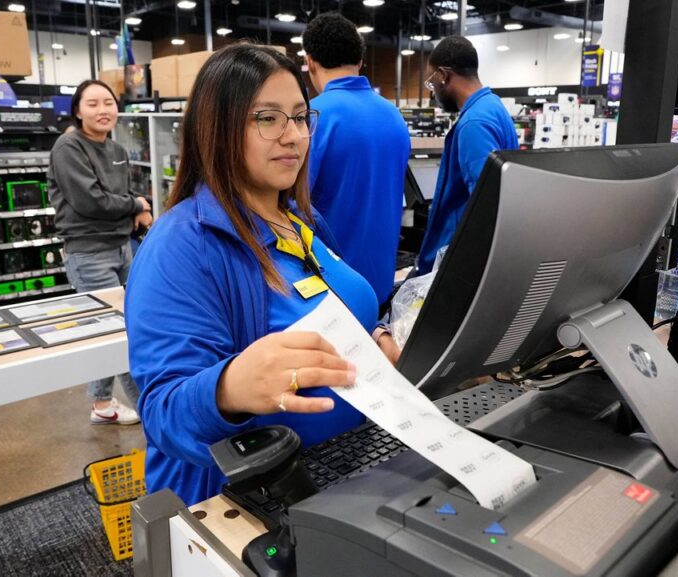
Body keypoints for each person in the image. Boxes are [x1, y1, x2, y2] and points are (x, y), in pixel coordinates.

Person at [124, 44, 400, 506]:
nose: (292, 135)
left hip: (339, 472)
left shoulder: (299, 220)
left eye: (299, 117)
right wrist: (229, 386)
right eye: (267, 118)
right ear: (220, 128)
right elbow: (162, 412)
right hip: (248, 500)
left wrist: (375, 336)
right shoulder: (182, 245)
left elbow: (326, 309)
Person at [47, 79, 153, 426]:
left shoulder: (117, 151)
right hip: (88, 251)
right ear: (77, 111)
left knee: (123, 326)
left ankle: (102, 403)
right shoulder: (68, 147)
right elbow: (89, 201)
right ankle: (150, 412)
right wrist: (136, 203)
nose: (103, 110)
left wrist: (136, 207)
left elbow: (121, 192)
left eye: (108, 102)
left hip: (122, 246)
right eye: (92, 104)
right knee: (120, 332)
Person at [302, 12, 410, 304]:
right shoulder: (394, 117)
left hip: (330, 293)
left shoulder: (312, 118)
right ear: (360, 61)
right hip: (380, 289)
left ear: (309, 61)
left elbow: (291, 208)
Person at [415, 35, 519, 275]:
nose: (434, 92)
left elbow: (485, 206)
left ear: (443, 75)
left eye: (432, 83)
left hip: (458, 261)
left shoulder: (474, 123)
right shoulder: (493, 107)